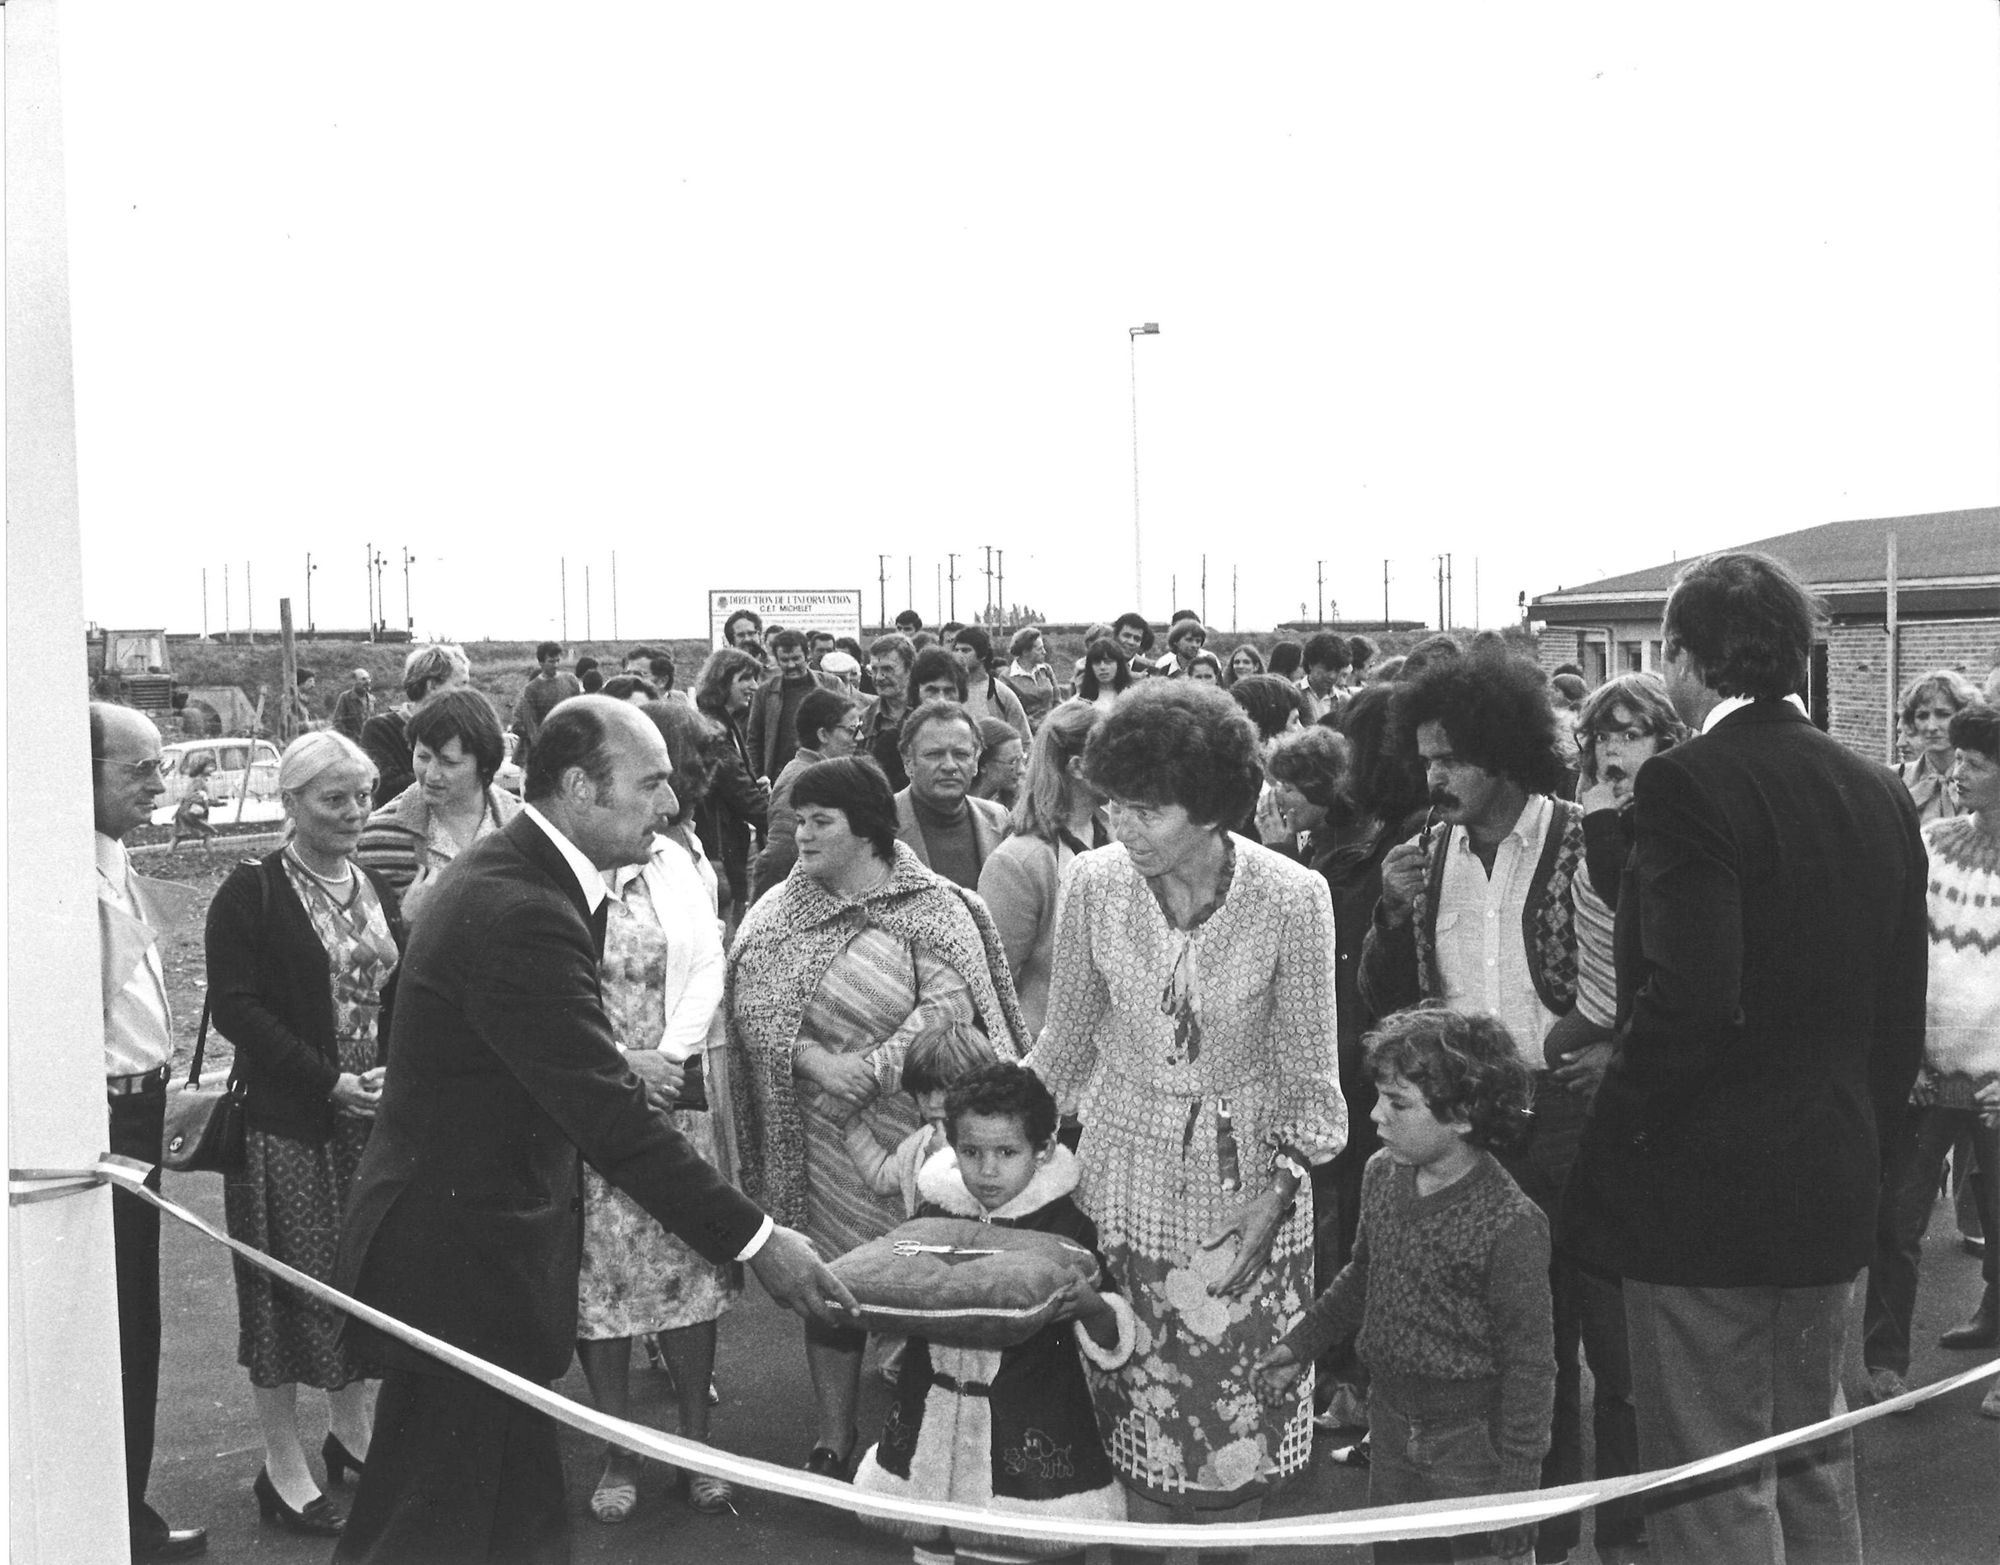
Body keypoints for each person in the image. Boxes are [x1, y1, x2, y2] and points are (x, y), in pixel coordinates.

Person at [331, 697, 853, 1564]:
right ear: (578, 785)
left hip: (481, 1266)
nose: (672, 805)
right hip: (460, 1274)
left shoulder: (533, 878)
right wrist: (759, 1239)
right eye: (650, 783)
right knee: (428, 1526)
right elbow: (608, 1112)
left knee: (509, 1521)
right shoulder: (522, 906)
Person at [1562, 552, 1929, 1565]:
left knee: (1713, 1481)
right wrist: (1868, 1149)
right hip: (1830, 1176)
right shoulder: (1875, 787)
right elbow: (1901, 1013)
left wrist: (1611, 1145)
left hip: (1704, 1200)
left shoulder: (1685, 783)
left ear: (1680, 656)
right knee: (1811, 1454)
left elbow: (1686, 998)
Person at [1025, 680, 1345, 1525]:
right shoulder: (1093, 884)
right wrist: (988, 1140)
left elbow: (1314, 1082)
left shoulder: (1292, 896)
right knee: (1132, 1412)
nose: (1121, 828)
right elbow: (1062, 1046)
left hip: (1248, 1196)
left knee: (1234, 1435)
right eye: (1113, 805)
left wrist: (1274, 1196)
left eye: (1147, 810)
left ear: (1210, 808)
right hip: (1122, 1183)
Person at [728, 756, 1030, 1478]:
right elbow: (752, 1003)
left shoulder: (938, 905)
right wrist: (812, 1060)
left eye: (818, 820)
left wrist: (867, 1070)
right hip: (824, 1136)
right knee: (830, 1286)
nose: (800, 833)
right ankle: (833, 1436)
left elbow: (952, 1004)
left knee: (927, 1285)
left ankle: (920, 1442)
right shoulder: (780, 909)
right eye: (797, 818)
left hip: (920, 1131)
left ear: (865, 828)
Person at [1256, 1007, 1553, 1565]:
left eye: (1398, 1103)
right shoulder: (1380, 1175)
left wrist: (1519, 1486)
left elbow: (1531, 1366)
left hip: (1473, 1443)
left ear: (1463, 1115)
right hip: (1388, 1423)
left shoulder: (1511, 1224)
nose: (1375, 1116)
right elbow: (1362, 1279)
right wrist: (1299, 1346)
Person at [206, 732, 406, 1539]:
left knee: (355, 1283)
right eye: (334, 798)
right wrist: (330, 1080)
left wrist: (389, 1071)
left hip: (367, 1120)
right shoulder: (250, 891)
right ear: (290, 804)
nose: (355, 811)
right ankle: (282, 1462)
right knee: (288, 1294)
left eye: (362, 794)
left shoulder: (372, 883)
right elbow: (236, 1009)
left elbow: (398, 992)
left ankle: (351, 1433)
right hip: (289, 1124)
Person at [575, 698, 748, 1525]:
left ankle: (696, 1443)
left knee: (687, 1274)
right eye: (653, 787)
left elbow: (709, 960)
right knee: (599, 1279)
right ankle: (618, 1445)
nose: (669, 805)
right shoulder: (568, 875)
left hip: (671, 1094)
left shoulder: (680, 863)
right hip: (586, 1100)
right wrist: (614, 1070)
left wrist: (668, 1061)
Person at [853, 1064, 1139, 1563]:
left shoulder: (1066, 1226)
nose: (987, 1171)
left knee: (1025, 1547)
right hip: (930, 1429)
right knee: (933, 1544)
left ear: (1043, 1150)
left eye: (1006, 1153)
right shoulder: (934, 1216)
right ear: (950, 1144)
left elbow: (1112, 1334)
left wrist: (1092, 1306)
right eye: (971, 1152)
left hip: (1029, 1429)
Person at [91, 702, 209, 1561]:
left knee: (137, 1321)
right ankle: (112, 1523)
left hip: (140, 1102)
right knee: (111, 1320)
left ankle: (124, 1512)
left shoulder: (116, 858)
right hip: (101, 1110)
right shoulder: (60, 875)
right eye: (139, 770)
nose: (160, 786)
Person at [1863, 701, 2000, 1403]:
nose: (1960, 773)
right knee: (1895, 1219)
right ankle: (1885, 1361)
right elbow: (1900, 953)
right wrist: (1907, 1058)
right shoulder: (1932, 843)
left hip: (1996, 1086)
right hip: (1928, 1073)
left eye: (1978, 765)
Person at [977, 700, 1106, 1039]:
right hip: (1045, 1049)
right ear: (1078, 767)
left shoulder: (1116, 836)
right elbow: (993, 983)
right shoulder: (1018, 862)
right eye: (1116, 755)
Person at [355, 688, 522, 926]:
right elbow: (366, 949)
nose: (431, 774)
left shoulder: (523, 824)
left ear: (485, 764)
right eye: (423, 757)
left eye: (448, 762)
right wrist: (404, 922)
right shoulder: (375, 836)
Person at [752, 685, 861, 901]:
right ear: (823, 734)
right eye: (851, 730)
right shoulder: (802, 779)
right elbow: (779, 855)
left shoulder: (819, 772)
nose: (859, 737)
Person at [691, 646, 772, 928]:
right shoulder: (714, 729)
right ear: (723, 681)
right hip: (720, 849)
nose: (754, 686)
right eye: (745, 679)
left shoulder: (726, 722)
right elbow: (742, 796)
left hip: (729, 845)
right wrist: (781, 818)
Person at [895, 700, 1012, 888]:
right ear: (908, 761)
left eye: (960, 754)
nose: (950, 766)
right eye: (934, 754)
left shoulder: (999, 819)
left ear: (975, 762)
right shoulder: (882, 824)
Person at [359, 643, 472, 808]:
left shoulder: (463, 730)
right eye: (460, 684)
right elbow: (385, 788)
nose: (467, 692)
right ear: (432, 685)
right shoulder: (379, 729)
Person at [747, 628, 844, 783]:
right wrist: (758, 777)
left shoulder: (831, 685)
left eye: (796, 658)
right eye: (784, 660)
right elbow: (754, 740)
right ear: (777, 660)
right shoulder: (765, 692)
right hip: (780, 777)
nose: (791, 665)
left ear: (807, 656)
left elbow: (847, 729)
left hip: (824, 772)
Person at [1895, 668, 1981, 822]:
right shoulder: (1895, 779)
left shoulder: (1988, 779)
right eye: (1922, 716)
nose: (1931, 726)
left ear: (1965, 716)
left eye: (1943, 714)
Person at [509, 641, 582, 772]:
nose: (556, 665)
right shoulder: (532, 689)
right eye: (551, 661)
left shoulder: (570, 681)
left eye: (558, 660)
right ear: (541, 663)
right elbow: (530, 726)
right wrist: (544, 750)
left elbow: (579, 713)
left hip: (568, 749)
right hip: (544, 751)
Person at [951, 627, 1033, 743]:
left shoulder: (1001, 694)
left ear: (982, 655)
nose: (958, 655)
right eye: (956, 650)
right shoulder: (947, 691)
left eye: (965, 650)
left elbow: (1024, 740)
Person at [862, 633, 919, 792]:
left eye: (887, 669)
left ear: (910, 669)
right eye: (874, 670)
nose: (879, 677)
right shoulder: (864, 720)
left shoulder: (929, 714)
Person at [1002, 625, 1062, 730]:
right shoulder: (1006, 678)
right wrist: (1038, 726)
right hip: (1026, 732)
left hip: (1054, 727)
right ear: (1025, 652)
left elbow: (1057, 701)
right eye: (1040, 649)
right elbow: (1012, 713)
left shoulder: (1046, 669)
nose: (1044, 652)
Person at [969, 716, 1026, 810]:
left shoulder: (1020, 806)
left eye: (1022, 759)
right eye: (1013, 762)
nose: (1021, 770)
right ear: (983, 764)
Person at [167, 753, 217, 852]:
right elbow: (194, 795)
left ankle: (169, 851)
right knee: (205, 831)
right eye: (209, 766)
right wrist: (208, 800)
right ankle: (212, 852)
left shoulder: (197, 780)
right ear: (200, 767)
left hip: (187, 810)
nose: (212, 768)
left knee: (180, 833)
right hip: (193, 811)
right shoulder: (199, 781)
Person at [1075, 637, 1135, 709]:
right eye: (1097, 663)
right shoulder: (1080, 701)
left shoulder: (1132, 697)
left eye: (1108, 661)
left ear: (1118, 664)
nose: (1102, 667)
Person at [331, 669, 375, 742]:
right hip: (351, 744)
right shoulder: (345, 697)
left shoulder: (372, 699)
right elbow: (337, 723)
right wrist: (349, 739)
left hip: (368, 743)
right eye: (363, 679)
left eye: (369, 679)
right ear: (354, 681)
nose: (367, 682)